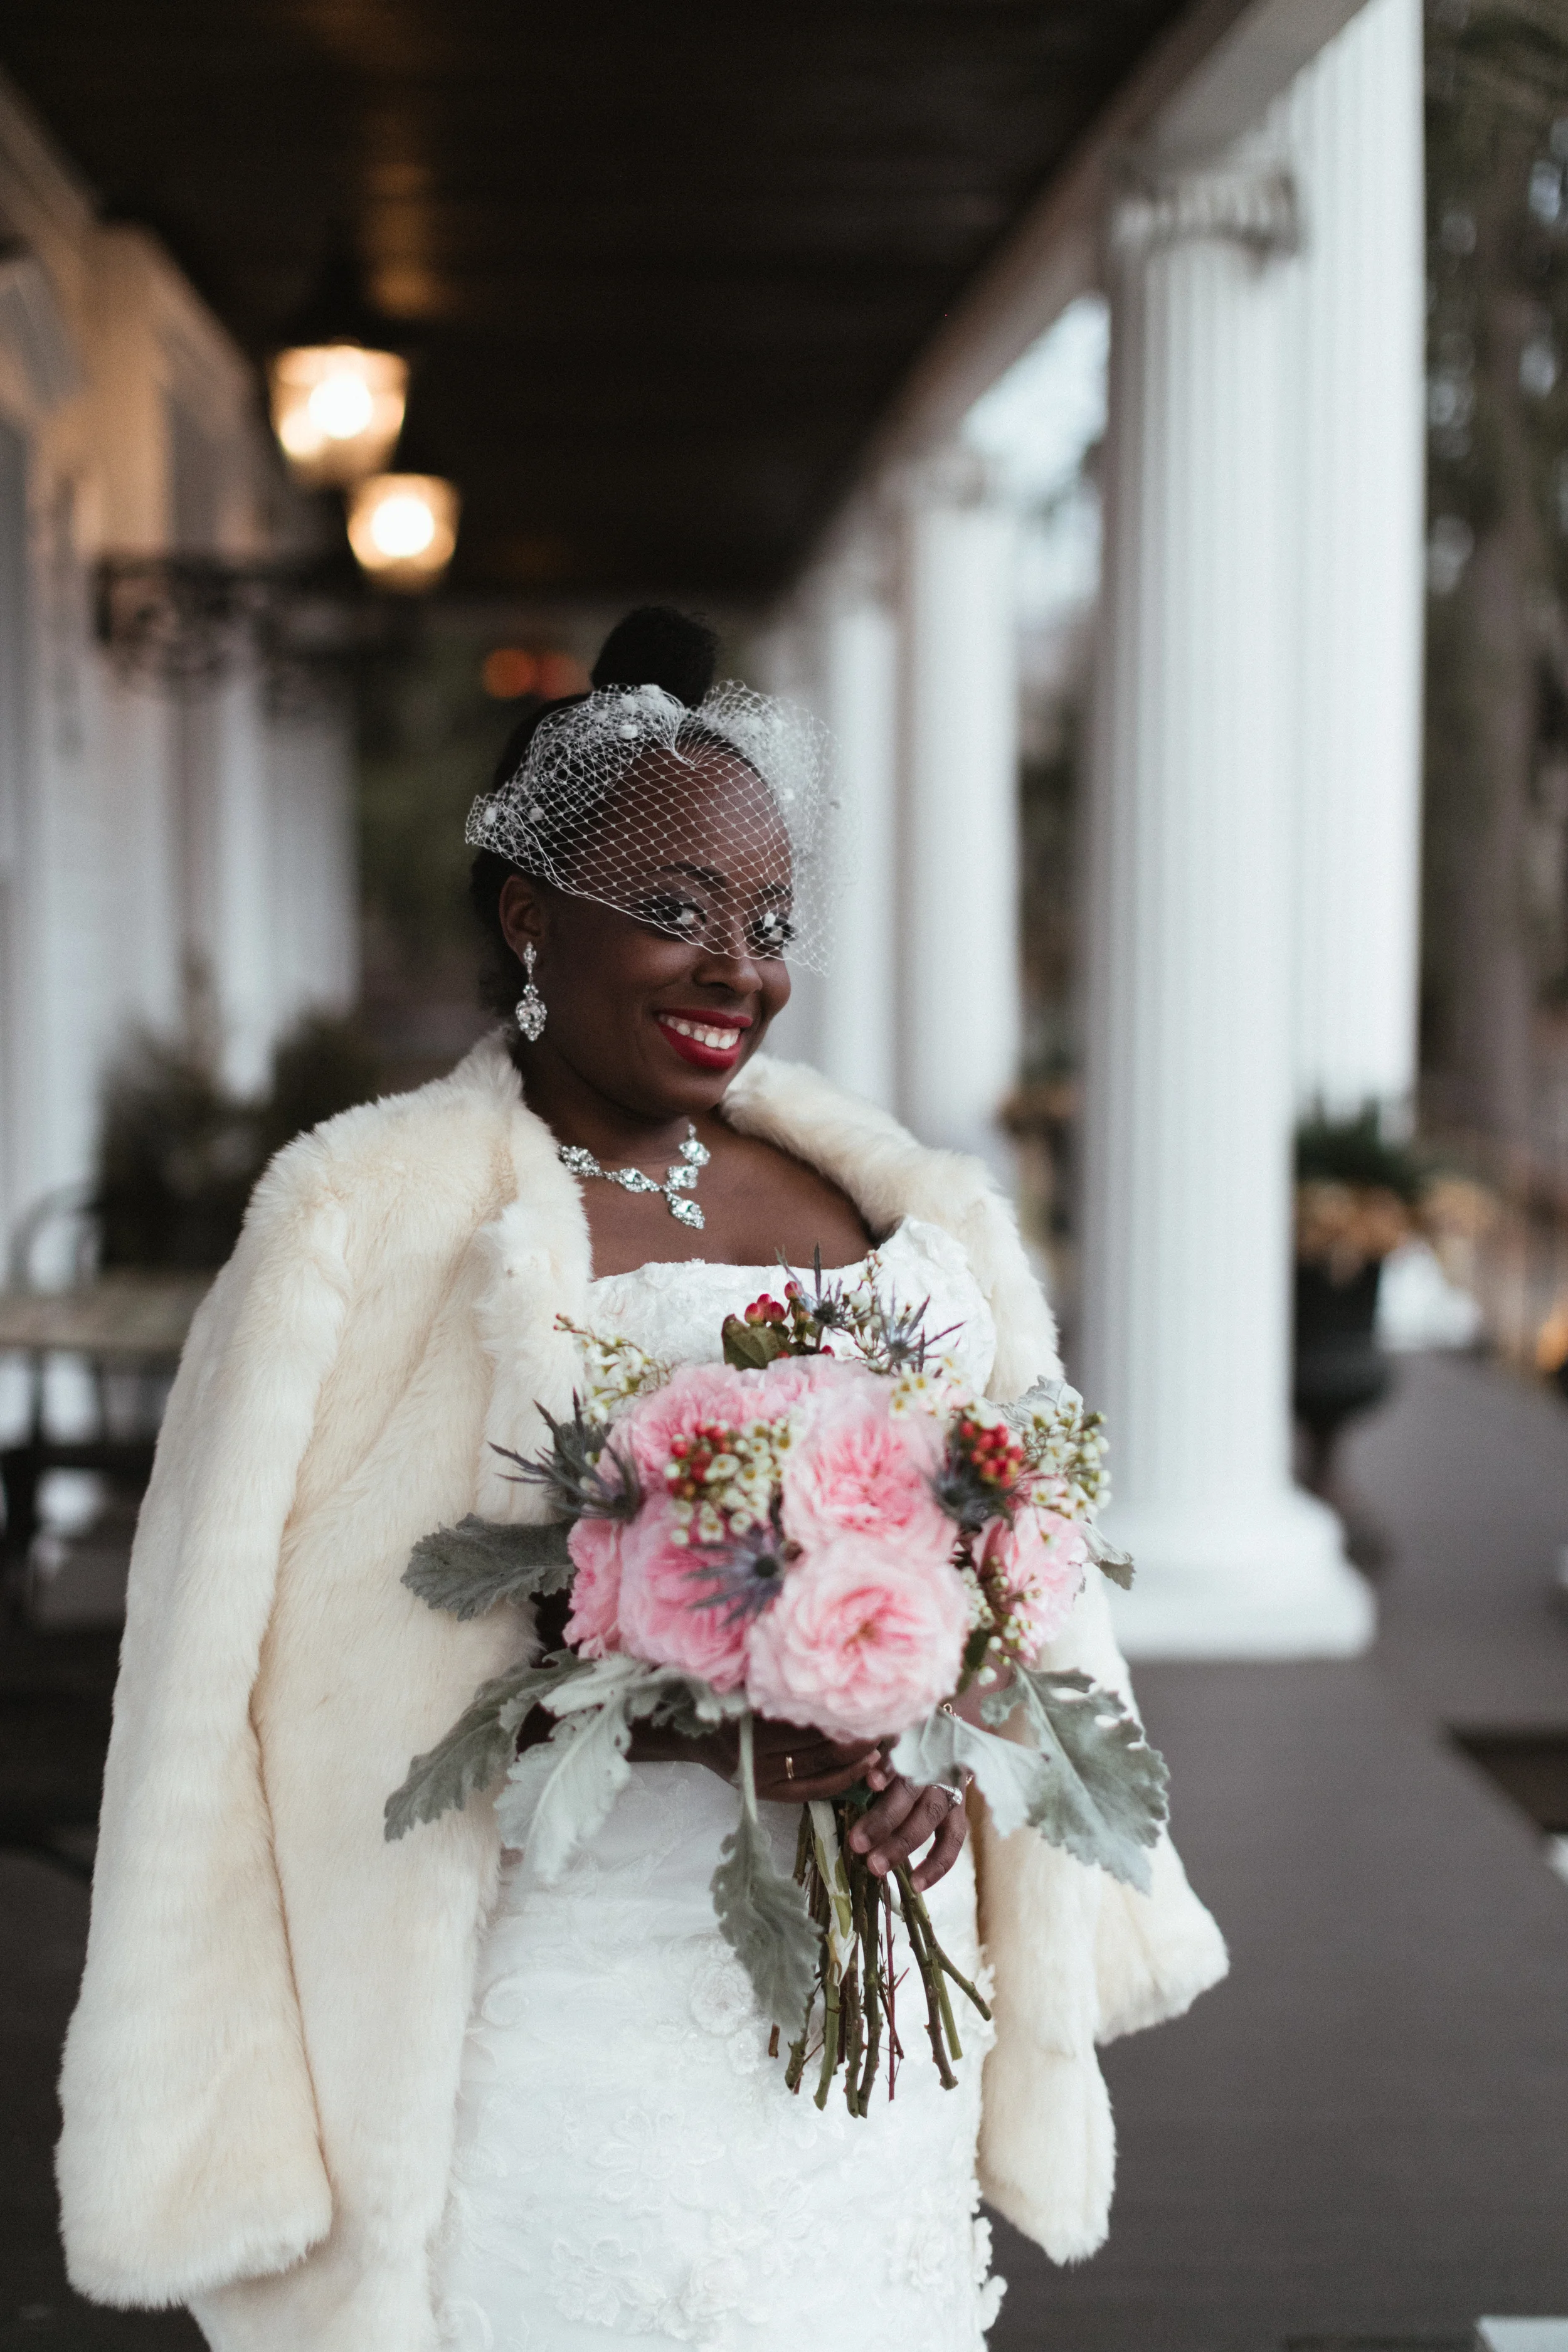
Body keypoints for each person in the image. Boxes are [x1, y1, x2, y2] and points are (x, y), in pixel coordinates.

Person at [57, 608, 1226, 2351]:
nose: (733, 967)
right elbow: (222, 1682)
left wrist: (937, 1758)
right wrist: (682, 1712)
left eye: (767, 922)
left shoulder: (902, 1211)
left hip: (867, 2035)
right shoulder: (359, 1223)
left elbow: (1023, 1575)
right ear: (533, 916)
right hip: (553, 2021)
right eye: (672, 910)